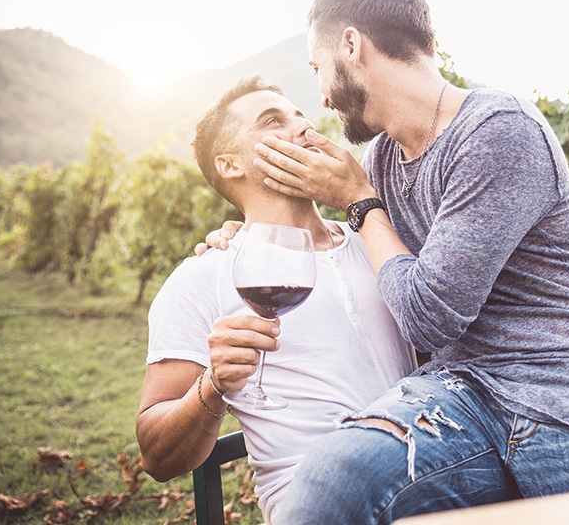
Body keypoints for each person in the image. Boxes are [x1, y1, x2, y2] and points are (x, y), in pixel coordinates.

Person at [209, 0, 569, 524]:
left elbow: (428, 317)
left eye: (318, 67)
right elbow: (358, 254)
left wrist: (359, 201)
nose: (322, 97)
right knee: (329, 484)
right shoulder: (378, 163)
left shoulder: (498, 129)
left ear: (351, 45)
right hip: (460, 398)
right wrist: (245, 229)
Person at [135, 75, 416, 524]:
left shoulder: (378, 242)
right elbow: (156, 456)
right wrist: (214, 386)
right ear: (230, 165)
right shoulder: (203, 278)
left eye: (300, 116)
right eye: (272, 122)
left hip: (432, 471)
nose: (302, 128)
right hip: (318, 500)